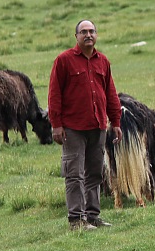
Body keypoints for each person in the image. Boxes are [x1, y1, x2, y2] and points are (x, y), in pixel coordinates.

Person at [48, 19, 123, 231]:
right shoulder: (64, 61)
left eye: (91, 31)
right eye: (83, 32)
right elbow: (54, 94)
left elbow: (110, 93)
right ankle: (76, 220)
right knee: (74, 174)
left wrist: (115, 121)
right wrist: (56, 124)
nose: (88, 35)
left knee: (95, 173)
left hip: (97, 126)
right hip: (73, 128)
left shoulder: (103, 62)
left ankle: (92, 216)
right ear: (76, 37)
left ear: (96, 35)